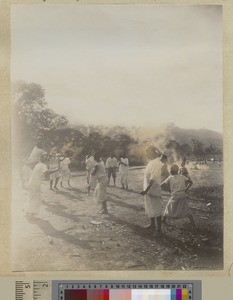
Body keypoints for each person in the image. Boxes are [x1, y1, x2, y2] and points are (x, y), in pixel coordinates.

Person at [140, 145, 163, 233]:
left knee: (156, 209)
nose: (146, 154)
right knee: (150, 207)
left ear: (153, 153)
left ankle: (159, 229)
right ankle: (152, 225)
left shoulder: (156, 162)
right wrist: (146, 190)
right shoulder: (151, 162)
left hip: (153, 189)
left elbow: (153, 178)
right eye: (146, 152)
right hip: (149, 190)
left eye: (147, 152)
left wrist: (146, 190)